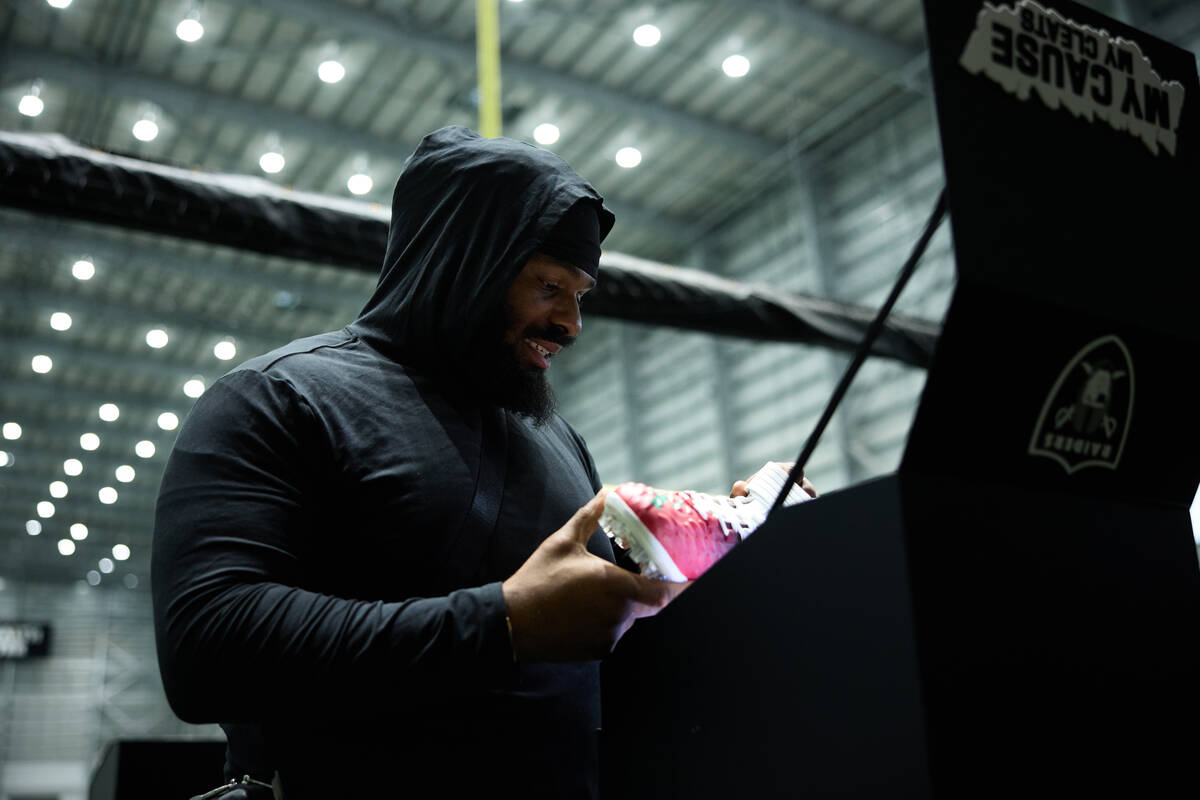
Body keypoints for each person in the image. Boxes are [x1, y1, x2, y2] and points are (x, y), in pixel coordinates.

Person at [153, 126, 691, 799]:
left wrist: (735, 545)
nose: (571, 324)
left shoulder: (559, 440)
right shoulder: (280, 398)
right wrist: (501, 622)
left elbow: (613, 624)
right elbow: (208, 647)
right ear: (464, 261)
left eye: (580, 294)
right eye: (549, 286)